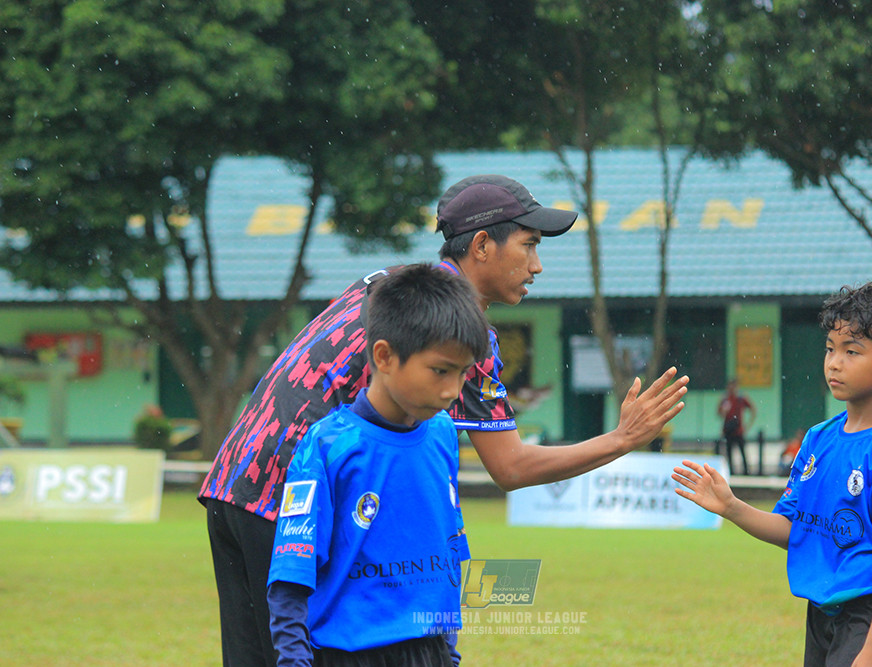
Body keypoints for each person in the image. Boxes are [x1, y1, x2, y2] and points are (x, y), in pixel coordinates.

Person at [198, 174, 690, 667]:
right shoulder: (456, 330)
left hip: (232, 482)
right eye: (529, 246)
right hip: (289, 509)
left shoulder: (389, 284)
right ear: (481, 245)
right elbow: (511, 467)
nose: (537, 266)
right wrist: (623, 438)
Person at [672, 281, 872, 667]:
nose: (834, 362)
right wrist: (730, 507)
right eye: (830, 348)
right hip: (822, 609)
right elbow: (797, 530)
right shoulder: (818, 439)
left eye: (852, 351)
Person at [267, 264, 488, 667]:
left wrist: (448, 651)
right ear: (384, 356)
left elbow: (450, 548)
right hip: (348, 654)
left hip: (428, 651)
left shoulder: (442, 435)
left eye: (462, 373)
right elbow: (290, 575)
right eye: (440, 370)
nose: (452, 390)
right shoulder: (328, 446)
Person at [717, 377, 755, 475]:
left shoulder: (741, 399)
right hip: (728, 429)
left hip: (738, 430)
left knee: (742, 451)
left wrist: (748, 425)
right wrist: (724, 411)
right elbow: (719, 413)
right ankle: (731, 472)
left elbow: (752, 410)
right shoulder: (725, 399)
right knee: (729, 452)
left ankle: (746, 472)